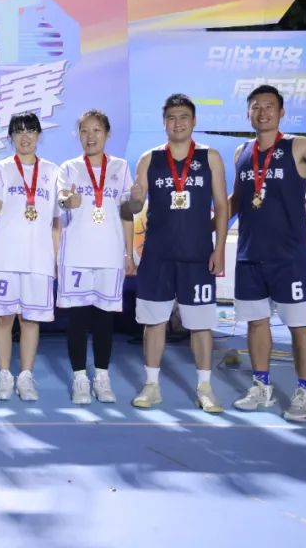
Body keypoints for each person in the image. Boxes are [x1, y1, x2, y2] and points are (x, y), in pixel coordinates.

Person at [231, 86, 306, 421]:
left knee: (300, 326)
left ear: (281, 112)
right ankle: (261, 387)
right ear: (248, 113)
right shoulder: (242, 151)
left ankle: (304, 394)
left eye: (269, 106)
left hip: (288, 258)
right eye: (256, 107)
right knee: (256, 324)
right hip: (249, 255)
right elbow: (237, 200)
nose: (263, 112)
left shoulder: (299, 146)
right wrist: (207, 225)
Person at [129, 94, 228, 413]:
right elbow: (134, 207)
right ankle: (151, 385)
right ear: (164, 123)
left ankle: (205, 387)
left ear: (194, 121)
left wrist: (219, 248)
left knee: (201, 325)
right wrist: (134, 198)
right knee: (154, 322)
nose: (178, 123)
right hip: (157, 256)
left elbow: (222, 206)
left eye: (184, 116)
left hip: (197, 256)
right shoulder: (149, 159)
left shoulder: (210, 157)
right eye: (171, 117)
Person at [56, 109, 138, 404]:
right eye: (84, 131)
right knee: (78, 319)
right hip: (76, 255)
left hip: (110, 255)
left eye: (96, 130)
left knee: (104, 319)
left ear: (107, 134)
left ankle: (102, 377)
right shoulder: (69, 168)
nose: (90, 136)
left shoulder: (120, 167)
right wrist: (69, 200)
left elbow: (127, 212)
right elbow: (62, 199)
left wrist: (129, 252)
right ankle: (80, 378)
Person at [0, 112, 60, 401]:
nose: (25, 137)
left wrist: (55, 258)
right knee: (3, 319)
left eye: (30, 131)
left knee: (30, 319)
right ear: (11, 137)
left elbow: (56, 220)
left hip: (38, 258)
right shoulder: (1, 169)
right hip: (5, 257)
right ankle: (4, 375)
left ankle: (25, 376)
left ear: (38, 135)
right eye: (18, 131)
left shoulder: (52, 171)